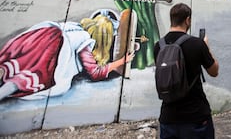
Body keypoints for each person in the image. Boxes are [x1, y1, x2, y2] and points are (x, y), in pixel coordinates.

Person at [0, 11, 135, 101]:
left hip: (40, 38)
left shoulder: (75, 27)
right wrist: (122, 61)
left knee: (13, 66)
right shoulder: (85, 41)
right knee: (22, 80)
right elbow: (95, 72)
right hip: (51, 54)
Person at [154, 3, 219, 139]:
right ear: (187, 20)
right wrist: (207, 47)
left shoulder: (159, 46)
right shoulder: (197, 43)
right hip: (195, 117)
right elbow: (214, 71)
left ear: (171, 19)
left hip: (168, 117)